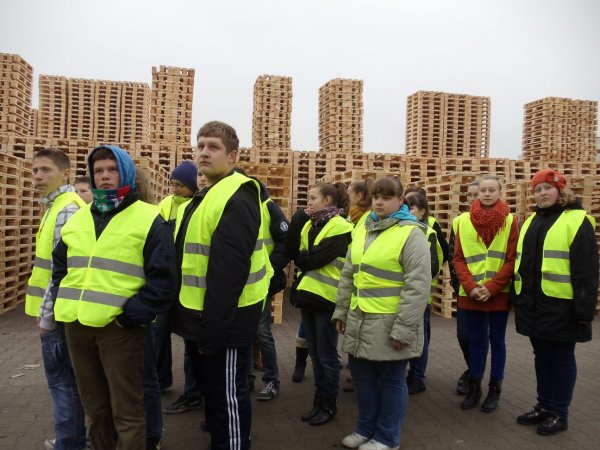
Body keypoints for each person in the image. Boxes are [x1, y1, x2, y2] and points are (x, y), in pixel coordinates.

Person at [49, 145, 178, 450]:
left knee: (127, 411)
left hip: (119, 331)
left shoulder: (149, 218)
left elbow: (164, 279)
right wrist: (60, 302)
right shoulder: (78, 219)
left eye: (112, 170)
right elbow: (60, 268)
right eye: (98, 171)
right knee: (95, 410)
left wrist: (130, 316)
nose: (104, 176)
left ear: (127, 173)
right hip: (77, 327)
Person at [170, 121, 272, 450]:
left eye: (213, 147)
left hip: (224, 323)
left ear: (233, 156)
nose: (204, 152)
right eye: (200, 145)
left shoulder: (237, 195)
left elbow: (229, 273)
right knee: (215, 397)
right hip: (203, 319)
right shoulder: (206, 195)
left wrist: (213, 332)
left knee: (227, 400)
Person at [333, 176, 432, 450]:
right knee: (363, 379)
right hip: (359, 319)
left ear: (401, 201)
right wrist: (341, 311)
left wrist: (404, 329)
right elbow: (349, 274)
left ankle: (387, 438)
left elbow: (418, 286)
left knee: (390, 381)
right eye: (376, 196)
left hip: (390, 324)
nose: (379, 202)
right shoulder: (363, 228)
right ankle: (365, 430)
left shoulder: (411, 234)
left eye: (387, 198)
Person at [512, 169, 598, 436]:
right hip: (535, 305)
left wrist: (583, 311)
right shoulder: (531, 221)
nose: (542, 193)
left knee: (561, 360)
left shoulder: (577, 220)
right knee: (542, 357)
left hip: (563, 307)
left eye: (548, 188)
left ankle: (559, 413)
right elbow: (522, 265)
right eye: (538, 189)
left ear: (561, 190)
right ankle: (544, 406)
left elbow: (586, 271)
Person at [25, 149, 87, 450]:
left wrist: (47, 318)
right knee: (67, 383)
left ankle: (69, 442)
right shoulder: (56, 206)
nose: (38, 176)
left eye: (46, 170)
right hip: (55, 311)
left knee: (63, 384)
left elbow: (61, 270)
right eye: (35, 170)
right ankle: (72, 438)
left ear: (66, 174)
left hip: (58, 315)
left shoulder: (67, 208)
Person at [287, 182, 353, 426]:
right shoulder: (309, 225)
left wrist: (304, 258)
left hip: (327, 299)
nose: (309, 202)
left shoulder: (341, 226)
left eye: (313, 197)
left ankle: (329, 404)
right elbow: (296, 255)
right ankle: (318, 402)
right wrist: (297, 224)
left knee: (327, 356)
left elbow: (313, 259)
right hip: (308, 298)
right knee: (315, 354)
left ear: (327, 200)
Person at [453, 175, 518, 412]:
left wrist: (491, 287)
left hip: (498, 293)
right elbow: (458, 258)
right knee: (476, 341)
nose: (487, 194)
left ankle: (494, 388)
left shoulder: (511, 221)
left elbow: (512, 259)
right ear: (477, 193)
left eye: (492, 190)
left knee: (497, 342)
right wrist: (471, 287)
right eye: (483, 190)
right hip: (471, 293)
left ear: (500, 193)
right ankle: (475, 386)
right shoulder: (462, 221)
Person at [236, 168, 289, 401]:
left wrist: (270, 270)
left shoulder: (268, 207)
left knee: (262, 333)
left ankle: (272, 380)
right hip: (239, 283)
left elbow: (285, 242)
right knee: (244, 334)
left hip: (261, 282)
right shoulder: (236, 207)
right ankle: (246, 380)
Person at [156, 161, 204, 416]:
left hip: (190, 286)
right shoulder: (166, 204)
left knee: (190, 343)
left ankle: (194, 392)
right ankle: (162, 379)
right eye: (172, 184)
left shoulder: (198, 206)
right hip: (168, 281)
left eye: (180, 185)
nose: (175, 190)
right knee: (159, 333)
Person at [405, 193, 442, 395]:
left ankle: (418, 377)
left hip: (421, 296)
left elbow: (433, 265)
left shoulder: (428, 233)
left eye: (411, 208)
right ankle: (409, 373)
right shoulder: (402, 231)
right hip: (404, 295)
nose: (408, 211)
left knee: (420, 336)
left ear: (422, 212)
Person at [449, 180, 480, 395]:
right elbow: (453, 255)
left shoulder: (504, 221)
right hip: (465, 290)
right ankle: (473, 369)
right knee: (464, 336)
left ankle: (475, 377)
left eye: (477, 194)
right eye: (470, 194)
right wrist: (459, 284)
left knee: (481, 338)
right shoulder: (459, 221)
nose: (473, 198)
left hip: (490, 291)